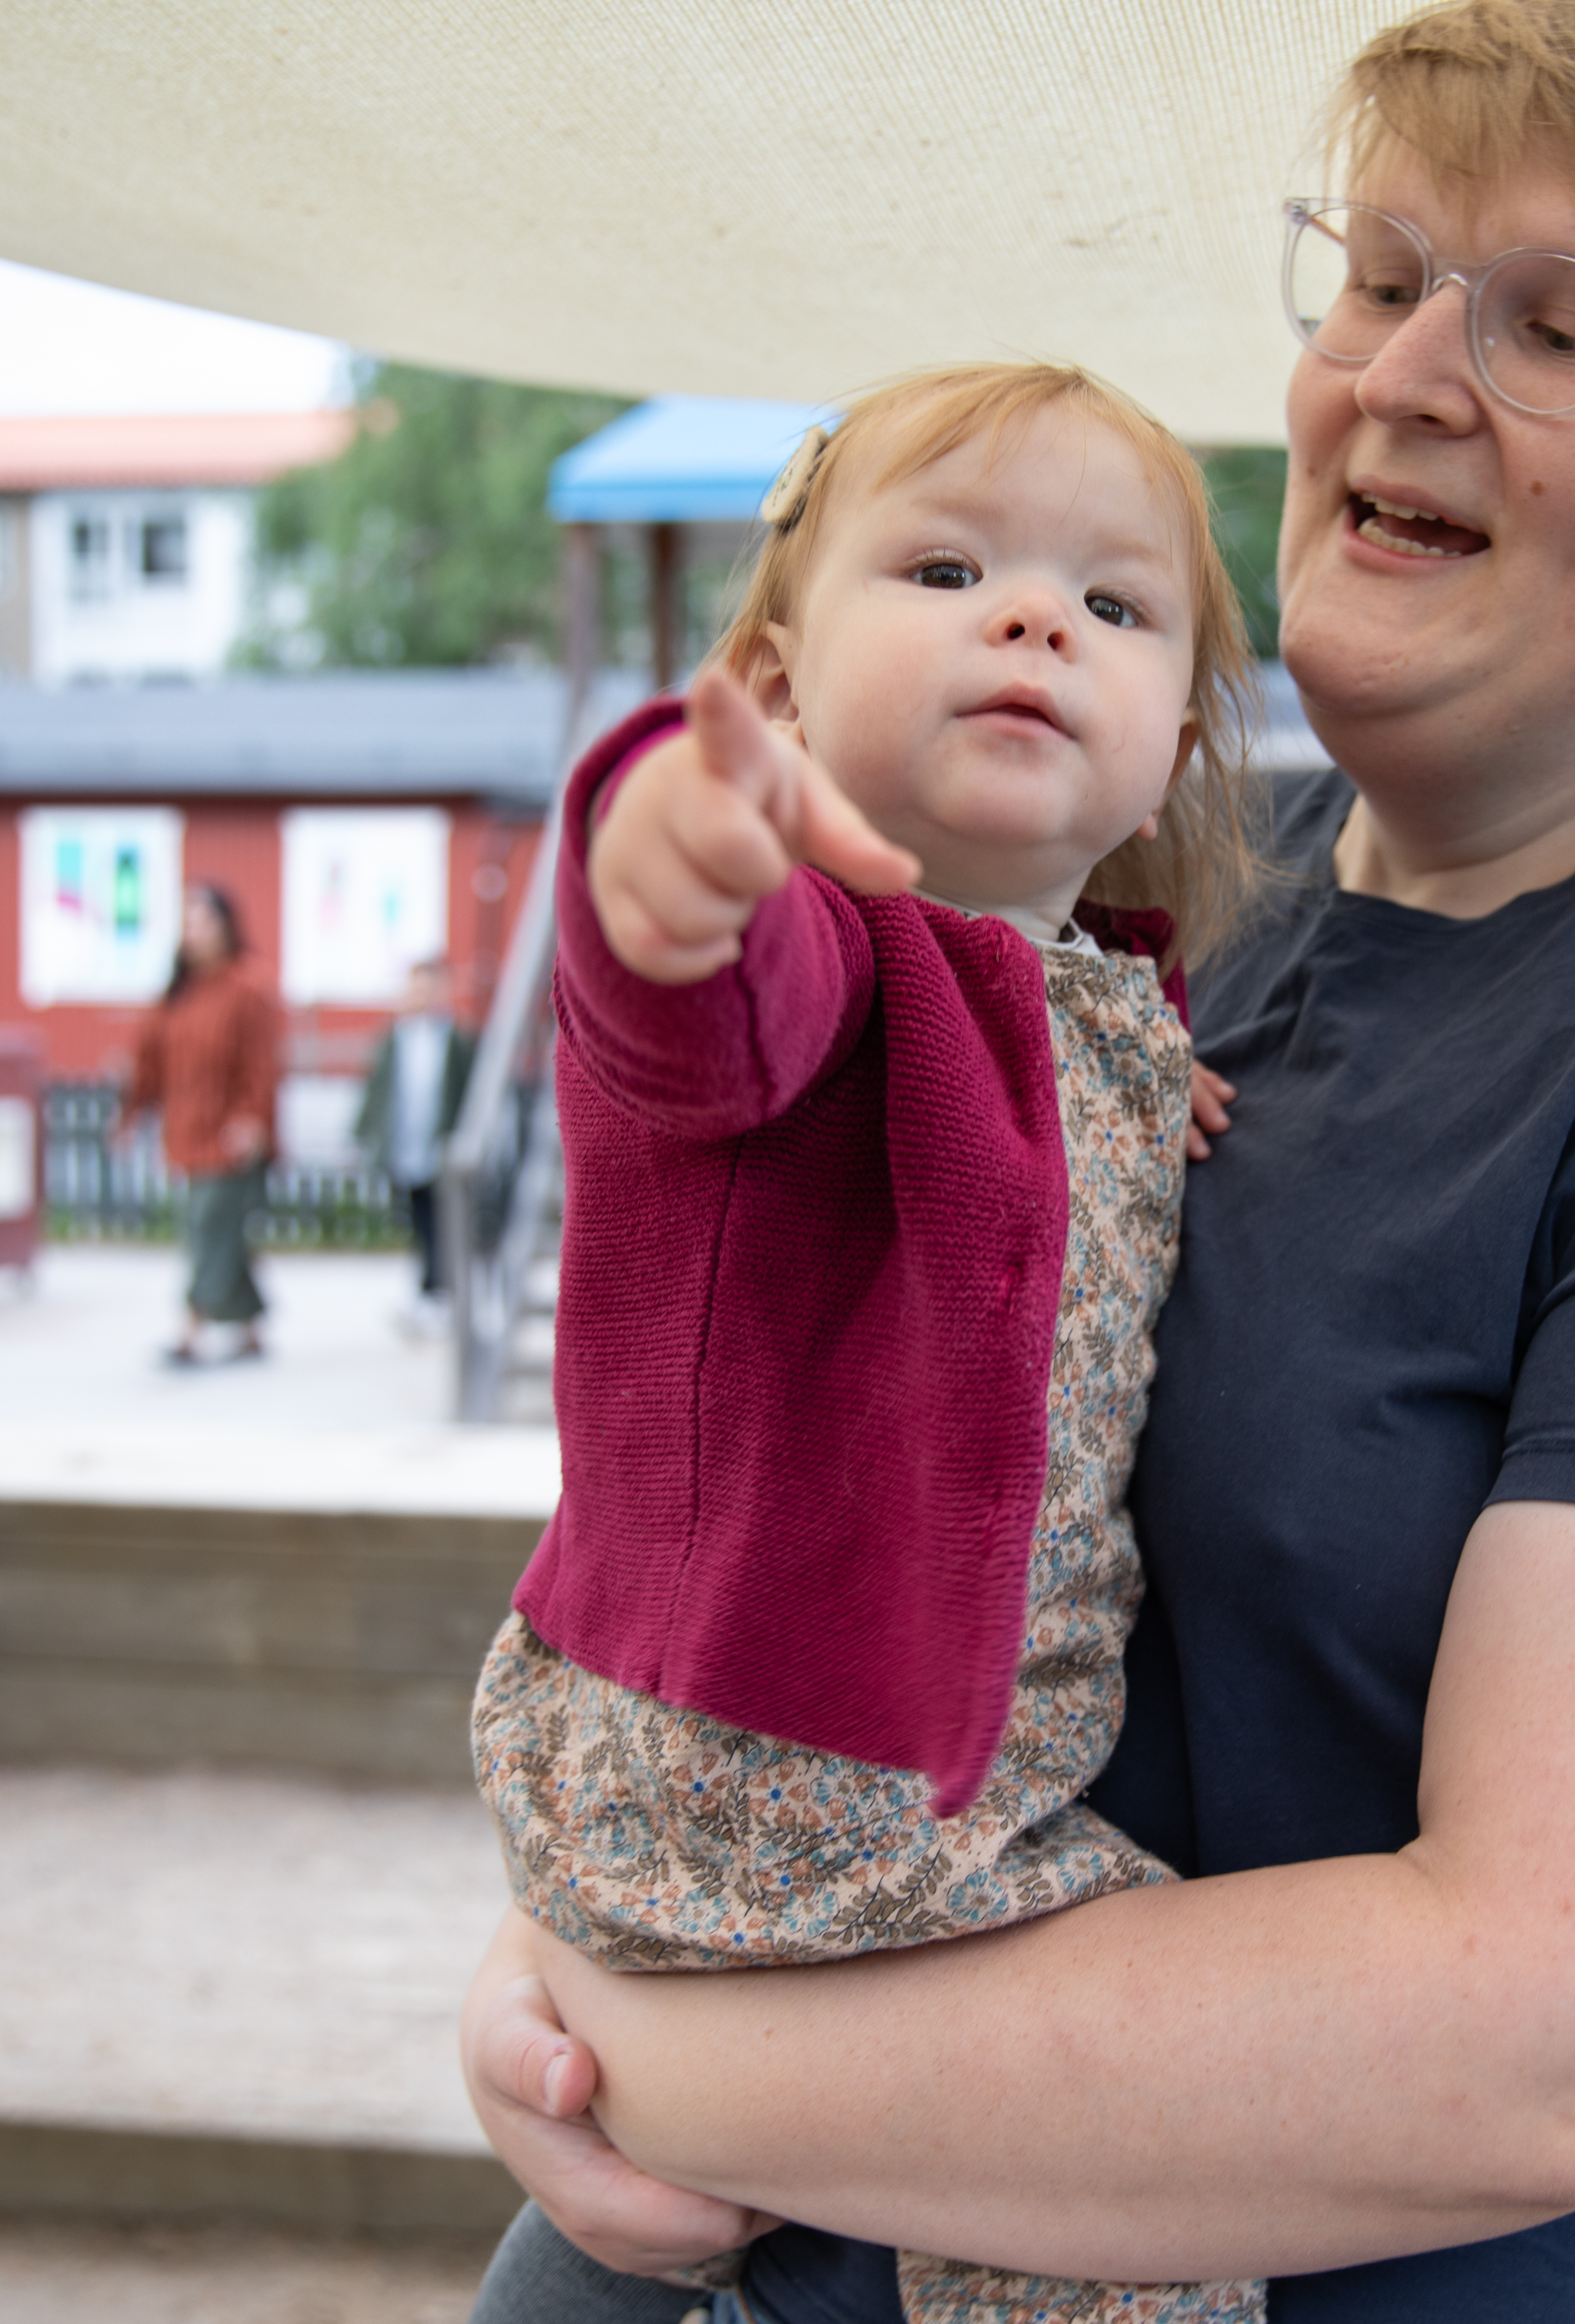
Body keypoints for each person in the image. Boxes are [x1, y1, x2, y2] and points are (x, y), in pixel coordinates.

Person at [462, 3, 1575, 2319]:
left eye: (1551, 319)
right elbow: (762, 1473)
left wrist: (653, 2051)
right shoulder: (1132, 915)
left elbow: (1572, 2024)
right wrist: (566, 1933)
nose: (1405, 374)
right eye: (1381, 273)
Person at [468, 361, 1268, 2324]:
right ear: (776, 678)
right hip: (776, 1769)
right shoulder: (808, 960)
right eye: (941, 563)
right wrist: (676, 834)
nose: (1029, 618)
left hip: (912, 1790)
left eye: (1112, 603)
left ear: (1164, 750)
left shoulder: (1116, 1019)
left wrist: (1154, 1088)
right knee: (1154, 2179)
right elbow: (686, 993)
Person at [118, 882, 282, 1366]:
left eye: (204, 921)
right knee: (218, 1228)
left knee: (210, 1225)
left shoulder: (249, 986)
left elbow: (262, 1063)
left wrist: (253, 1120)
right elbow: (148, 1059)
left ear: (227, 926)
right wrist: (131, 1112)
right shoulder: (178, 993)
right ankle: (250, 1327)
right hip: (186, 1131)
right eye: (188, 923)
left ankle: (190, 1328)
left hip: (232, 1134)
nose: (195, 933)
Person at [353, 952, 479, 1329]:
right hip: (405, 1145)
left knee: (442, 1222)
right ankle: (430, 1291)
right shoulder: (394, 1039)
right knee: (417, 1220)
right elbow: (376, 1092)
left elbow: (469, 1091)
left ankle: (439, 1292)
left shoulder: (456, 1039)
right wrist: (363, 1136)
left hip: (441, 1147)